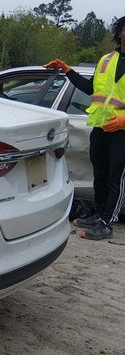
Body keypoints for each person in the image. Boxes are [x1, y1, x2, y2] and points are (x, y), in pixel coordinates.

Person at [45, 16, 125, 240]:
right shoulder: (106, 60)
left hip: (122, 132)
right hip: (100, 127)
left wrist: (123, 120)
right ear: (119, 32)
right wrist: (67, 69)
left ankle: (108, 223)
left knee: (115, 177)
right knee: (99, 174)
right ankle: (99, 215)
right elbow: (91, 89)